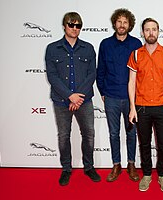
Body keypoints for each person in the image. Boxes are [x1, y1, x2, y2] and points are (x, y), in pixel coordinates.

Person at [45, 12, 100, 186]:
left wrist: (78, 97)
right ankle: (66, 169)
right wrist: (70, 96)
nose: (74, 28)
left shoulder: (88, 48)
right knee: (63, 136)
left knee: (89, 134)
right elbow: (52, 76)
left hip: (84, 101)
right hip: (62, 101)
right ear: (64, 26)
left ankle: (89, 167)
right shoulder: (52, 48)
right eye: (71, 24)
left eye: (78, 26)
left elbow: (92, 74)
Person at [127, 18, 163, 192]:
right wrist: (132, 108)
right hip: (142, 107)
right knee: (144, 144)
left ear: (158, 31)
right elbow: (131, 82)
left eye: (154, 29)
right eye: (147, 30)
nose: (151, 33)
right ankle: (147, 174)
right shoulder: (135, 54)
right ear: (142, 33)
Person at [96, 8, 142, 182]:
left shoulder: (136, 44)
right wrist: (102, 92)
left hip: (132, 99)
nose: (122, 25)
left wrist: (137, 97)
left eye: (125, 22)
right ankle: (116, 165)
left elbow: (140, 72)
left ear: (129, 25)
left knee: (131, 133)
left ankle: (131, 164)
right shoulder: (105, 44)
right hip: (111, 97)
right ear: (115, 23)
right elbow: (100, 70)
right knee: (114, 133)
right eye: (119, 21)